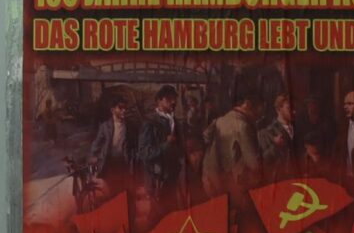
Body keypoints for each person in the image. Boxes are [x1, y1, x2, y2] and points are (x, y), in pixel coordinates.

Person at [200, 85, 266, 196]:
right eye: (260, 107)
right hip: (234, 187)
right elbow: (254, 163)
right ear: (248, 104)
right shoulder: (243, 126)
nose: (261, 112)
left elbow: (205, 138)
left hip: (212, 181)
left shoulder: (220, 120)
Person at [134, 85, 187, 220]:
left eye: (174, 99)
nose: (173, 102)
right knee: (158, 217)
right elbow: (144, 153)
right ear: (159, 101)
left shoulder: (174, 121)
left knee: (172, 215)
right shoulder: (150, 123)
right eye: (169, 99)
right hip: (157, 179)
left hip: (172, 177)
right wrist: (165, 145)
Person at [83, 97, 135, 202]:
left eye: (125, 108)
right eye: (120, 108)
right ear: (112, 110)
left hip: (123, 163)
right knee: (110, 190)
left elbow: (134, 145)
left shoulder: (129, 126)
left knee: (123, 190)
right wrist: (93, 156)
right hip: (108, 162)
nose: (123, 110)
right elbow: (97, 143)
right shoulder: (105, 126)